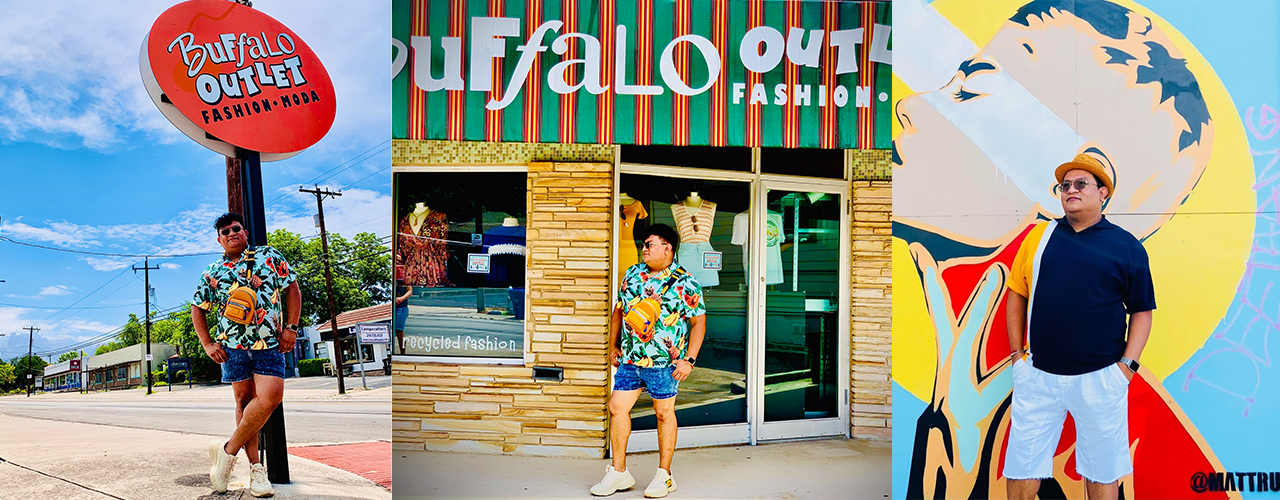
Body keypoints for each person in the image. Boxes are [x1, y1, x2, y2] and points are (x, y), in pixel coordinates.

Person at [1003, 154, 1155, 500]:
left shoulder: (1126, 246)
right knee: (1022, 469)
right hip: (1038, 376)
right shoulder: (1039, 238)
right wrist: (1017, 357)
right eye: (1065, 185)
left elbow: (1143, 312)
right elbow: (1016, 293)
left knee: (1102, 475)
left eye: (1081, 184)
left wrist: (1125, 370)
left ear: (1103, 193)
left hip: (1101, 379)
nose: (1071, 190)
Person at [591, 224, 706, 498]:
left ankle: (664, 476)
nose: (644, 248)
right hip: (630, 360)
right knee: (617, 408)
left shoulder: (686, 281)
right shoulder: (632, 273)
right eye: (644, 244)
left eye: (649, 244)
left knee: (664, 413)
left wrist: (689, 360)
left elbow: (698, 322)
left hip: (665, 362)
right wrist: (612, 345)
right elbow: (619, 311)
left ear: (667, 248)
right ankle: (619, 472)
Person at [192, 213, 301, 497]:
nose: (231, 233)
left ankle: (227, 452)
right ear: (219, 240)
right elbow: (197, 308)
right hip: (232, 346)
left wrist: (291, 327)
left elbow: (293, 289)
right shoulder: (212, 271)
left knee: (271, 397)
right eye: (225, 231)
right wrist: (207, 344)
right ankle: (256, 471)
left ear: (245, 232)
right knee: (244, 401)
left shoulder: (269, 256)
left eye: (235, 228)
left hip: (270, 343)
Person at [394, 278, 412, 354]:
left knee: (399, 331)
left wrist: (401, 298)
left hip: (401, 307)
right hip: (391, 308)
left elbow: (410, 291)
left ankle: (402, 353)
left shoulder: (403, 276)